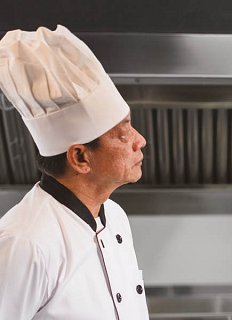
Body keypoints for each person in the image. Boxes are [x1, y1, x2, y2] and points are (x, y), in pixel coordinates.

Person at [0, 25, 149, 319]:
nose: (139, 140)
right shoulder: (24, 243)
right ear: (80, 157)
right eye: (122, 134)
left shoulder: (114, 215)